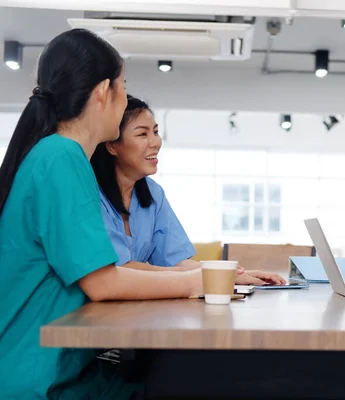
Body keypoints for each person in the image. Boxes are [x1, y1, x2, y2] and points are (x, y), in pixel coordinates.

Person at [0, 29, 208, 400]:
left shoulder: (57, 155)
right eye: (123, 86)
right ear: (102, 92)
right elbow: (103, 283)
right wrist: (198, 284)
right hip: (37, 378)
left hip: (63, 367)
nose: (125, 96)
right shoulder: (61, 157)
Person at [90, 95, 286, 286]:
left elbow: (176, 261)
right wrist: (206, 275)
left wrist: (232, 274)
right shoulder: (90, 194)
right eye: (142, 134)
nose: (155, 142)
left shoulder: (153, 194)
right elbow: (120, 268)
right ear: (112, 146)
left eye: (156, 132)